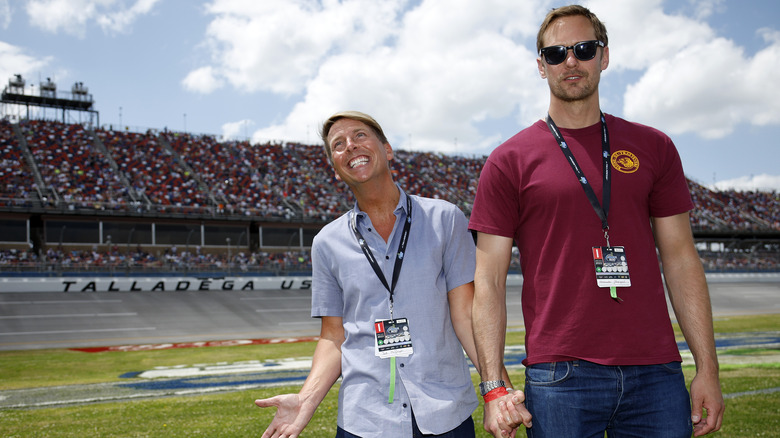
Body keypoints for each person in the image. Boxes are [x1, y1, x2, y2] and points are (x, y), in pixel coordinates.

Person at [468, 5, 725, 438]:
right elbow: (488, 280)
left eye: (584, 49)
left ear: (604, 57)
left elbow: (681, 260)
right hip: (559, 374)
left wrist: (708, 369)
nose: (571, 61)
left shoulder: (654, 146)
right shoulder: (508, 160)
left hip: (655, 369)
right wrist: (493, 386)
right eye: (556, 54)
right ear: (540, 66)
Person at [255, 111, 512, 437]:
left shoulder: (444, 219)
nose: (350, 145)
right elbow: (334, 336)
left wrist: (497, 390)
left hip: (444, 412)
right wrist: (306, 400)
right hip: (365, 420)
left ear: (387, 150)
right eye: (338, 144)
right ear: (336, 170)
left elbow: (466, 314)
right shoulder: (326, 244)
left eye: (360, 136)